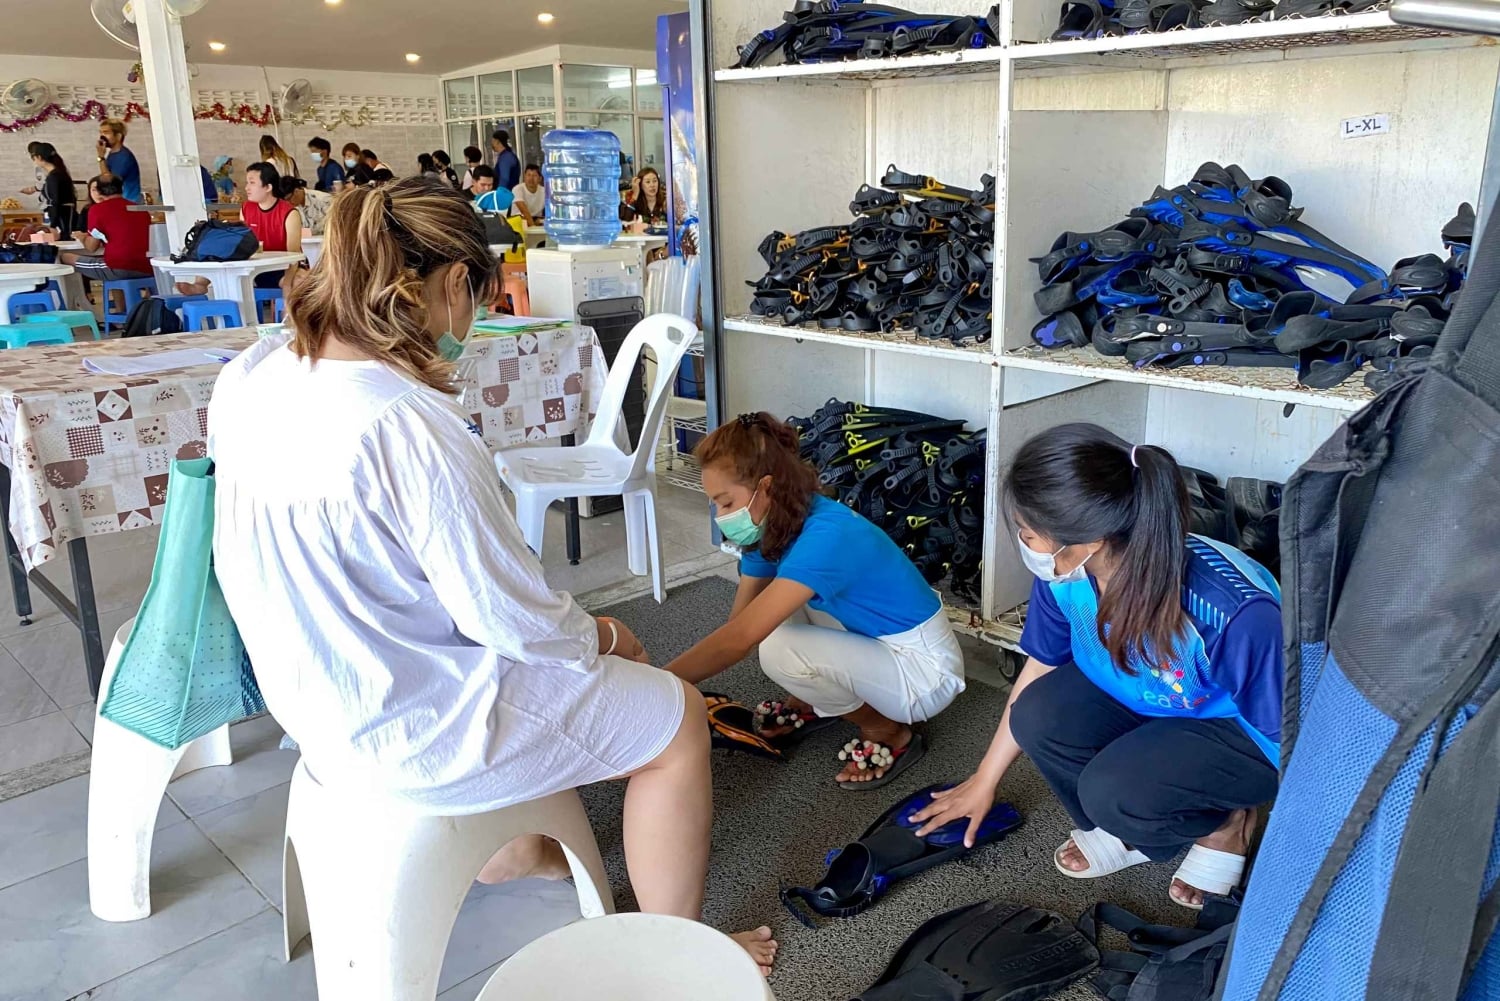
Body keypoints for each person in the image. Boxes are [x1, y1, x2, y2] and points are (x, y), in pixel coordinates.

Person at [206, 175, 777, 975]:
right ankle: (676, 959)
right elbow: (512, 619)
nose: (470, 326)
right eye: (477, 300)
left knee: (559, 673)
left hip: (312, 701)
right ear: (449, 286)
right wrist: (607, 634)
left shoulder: (255, 376)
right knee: (676, 717)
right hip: (410, 722)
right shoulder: (405, 423)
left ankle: (520, 848)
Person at [909, 423, 1281, 909]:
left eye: (1027, 534)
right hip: (1154, 694)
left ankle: (1226, 825)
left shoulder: (1231, 612)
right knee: (1036, 715)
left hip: (1239, 729)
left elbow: (1293, 741)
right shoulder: (1067, 573)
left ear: (1089, 540)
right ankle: (1135, 817)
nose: (1025, 545)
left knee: (1112, 792)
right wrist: (984, 779)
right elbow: (1039, 668)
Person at [664, 413, 966, 787]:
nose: (721, 516)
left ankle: (886, 730)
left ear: (767, 488)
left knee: (778, 648)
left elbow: (740, 639)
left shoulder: (828, 535)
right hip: (875, 641)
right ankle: (819, 699)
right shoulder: (774, 527)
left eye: (726, 503)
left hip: (923, 673)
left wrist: (658, 682)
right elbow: (740, 622)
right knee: (774, 615)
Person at [59, 174, 151, 282]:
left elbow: (92, 247)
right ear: (121, 188)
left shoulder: (97, 210)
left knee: (65, 257)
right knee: (110, 266)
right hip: (149, 266)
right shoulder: (140, 209)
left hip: (120, 267)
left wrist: (82, 237)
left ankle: (80, 298)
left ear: (98, 191)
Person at [23, 142, 77, 234]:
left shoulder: (54, 176)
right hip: (64, 215)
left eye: (34, 158)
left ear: (39, 157)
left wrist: (53, 225)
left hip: (62, 217)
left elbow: (55, 201)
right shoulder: (58, 173)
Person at [96, 117, 143, 204]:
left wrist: (101, 157)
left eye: (106, 132)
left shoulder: (124, 157)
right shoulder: (113, 154)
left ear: (118, 136)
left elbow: (109, 182)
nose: (102, 136)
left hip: (129, 203)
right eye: (101, 132)